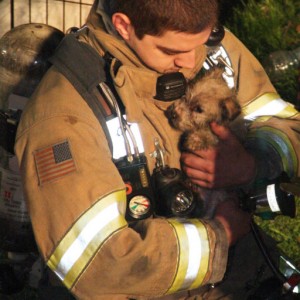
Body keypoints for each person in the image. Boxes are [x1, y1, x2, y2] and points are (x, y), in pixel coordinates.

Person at [14, 0, 300, 299]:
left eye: (201, 42)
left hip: (250, 270)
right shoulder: (63, 114)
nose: (191, 62)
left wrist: (253, 162)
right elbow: (99, 265)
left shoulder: (205, 43)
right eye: (171, 51)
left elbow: (283, 123)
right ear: (124, 26)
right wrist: (219, 235)